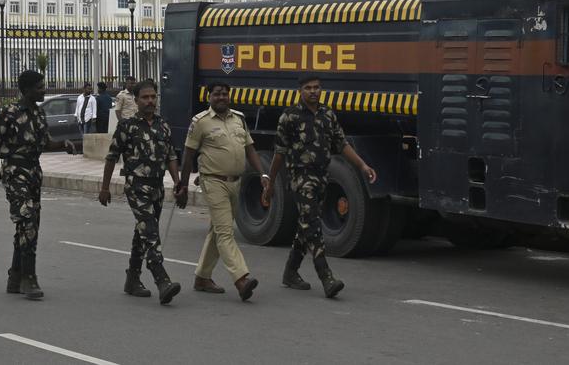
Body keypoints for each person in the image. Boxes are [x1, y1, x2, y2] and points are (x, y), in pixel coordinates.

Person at [263, 75, 377, 298]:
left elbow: (342, 144)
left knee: (306, 225)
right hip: (300, 178)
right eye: (308, 88)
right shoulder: (290, 117)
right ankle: (326, 276)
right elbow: (279, 153)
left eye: (317, 87)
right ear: (300, 91)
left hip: (322, 177)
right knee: (313, 225)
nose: (313, 91)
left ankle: (290, 272)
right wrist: (270, 183)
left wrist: (363, 166)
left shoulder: (328, 115)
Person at [175, 82, 265, 301]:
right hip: (213, 182)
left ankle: (202, 277)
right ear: (209, 97)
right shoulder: (200, 122)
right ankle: (241, 278)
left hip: (236, 182)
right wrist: (183, 185)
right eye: (217, 94)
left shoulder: (239, 119)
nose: (221, 97)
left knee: (217, 231)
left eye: (225, 94)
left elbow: (249, 148)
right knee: (225, 232)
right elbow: (188, 156)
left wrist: (263, 175)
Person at [98, 80, 182, 304]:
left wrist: (178, 181)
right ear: (135, 101)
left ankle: (132, 279)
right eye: (145, 97)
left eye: (153, 97)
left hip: (157, 187)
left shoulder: (163, 125)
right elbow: (111, 157)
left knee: (142, 233)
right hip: (136, 187)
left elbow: (171, 156)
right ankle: (162, 280)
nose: (150, 101)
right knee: (151, 234)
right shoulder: (127, 126)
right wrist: (105, 188)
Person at [0, 70, 50, 300]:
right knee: (27, 221)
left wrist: (64, 145)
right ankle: (29, 278)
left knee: (29, 225)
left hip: (34, 173)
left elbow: (44, 142)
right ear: (27, 90)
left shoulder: (39, 113)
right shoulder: (8, 113)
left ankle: (14, 277)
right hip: (14, 172)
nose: (43, 90)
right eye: (39, 87)